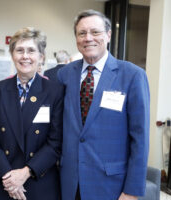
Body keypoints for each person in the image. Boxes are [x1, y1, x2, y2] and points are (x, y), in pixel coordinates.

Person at [58, 9, 150, 200]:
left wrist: (132, 191)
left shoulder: (132, 76)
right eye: (82, 33)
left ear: (108, 35)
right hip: (69, 183)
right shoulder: (64, 75)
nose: (88, 38)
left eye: (95, 32)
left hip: (111, 185)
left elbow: (140, 138)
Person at [0, 27, 63, 200]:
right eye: (19, 50)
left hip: (38, 182)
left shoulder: (55, 92)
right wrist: (9, 177)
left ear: (41, 56)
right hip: (0, 181)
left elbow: (55, 142)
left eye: (31, 51)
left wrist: (25, 173)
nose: (25, 56)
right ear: (12, 55)